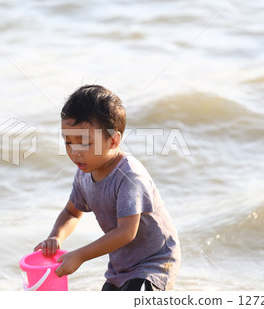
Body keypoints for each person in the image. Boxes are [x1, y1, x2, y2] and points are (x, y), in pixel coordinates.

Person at [34, 85, 180, 291]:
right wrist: (56, 236)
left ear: (113, 141)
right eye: (68, 142)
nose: (75, 152)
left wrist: (80, 255)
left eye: (84, 143)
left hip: (154, 263)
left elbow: (126, 233)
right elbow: (72, 212)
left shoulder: (129, 176)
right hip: (121, 266)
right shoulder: (85, 172)